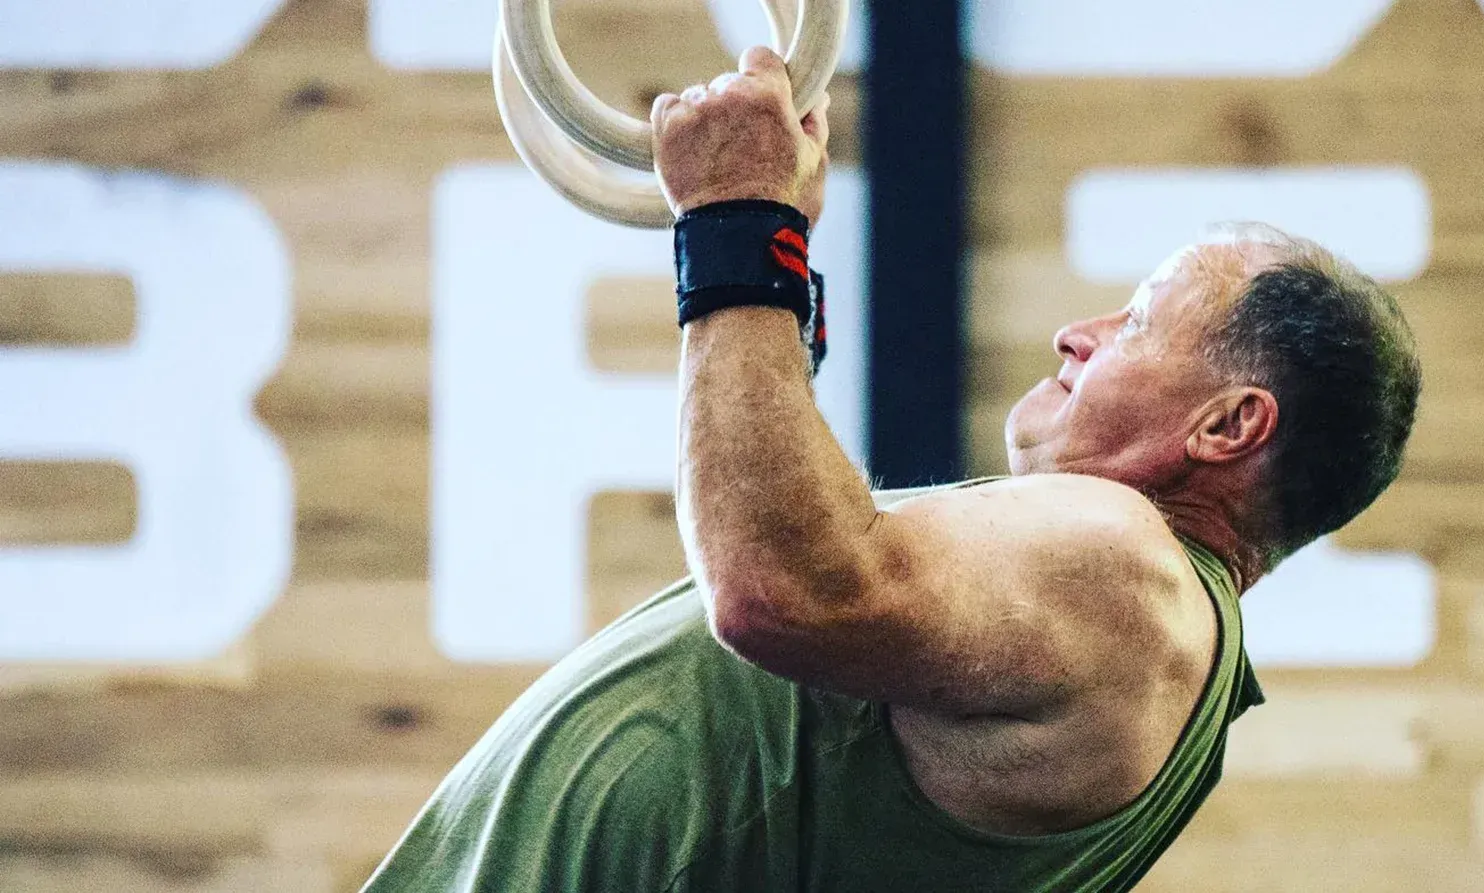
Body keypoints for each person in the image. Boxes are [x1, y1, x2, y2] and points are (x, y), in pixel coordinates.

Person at [363, 47, 1421, 893]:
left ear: (1230, 424)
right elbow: (802, 531)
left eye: (1137, 319)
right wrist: (777, 259)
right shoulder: (1123, 613)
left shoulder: (1137, 578)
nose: (1075, 333)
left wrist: (740, 227)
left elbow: (787, 583)